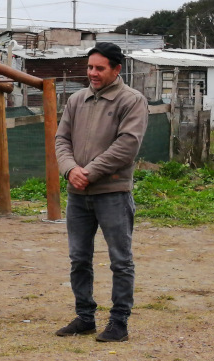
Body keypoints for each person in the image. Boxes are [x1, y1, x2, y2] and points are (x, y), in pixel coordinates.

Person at [54, 42, 148, 342]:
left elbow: (127, 146)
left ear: (116, 69)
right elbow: (61, 139)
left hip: (113, 193)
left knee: (120, 260)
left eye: (99, 68)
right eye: (90, 67)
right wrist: (70, 170)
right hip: (78, 194)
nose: (92, 73)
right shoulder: (77, 100)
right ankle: (85, 317)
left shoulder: (131, 101)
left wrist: (89, 172)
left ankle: (119, 322)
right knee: (79, 258)